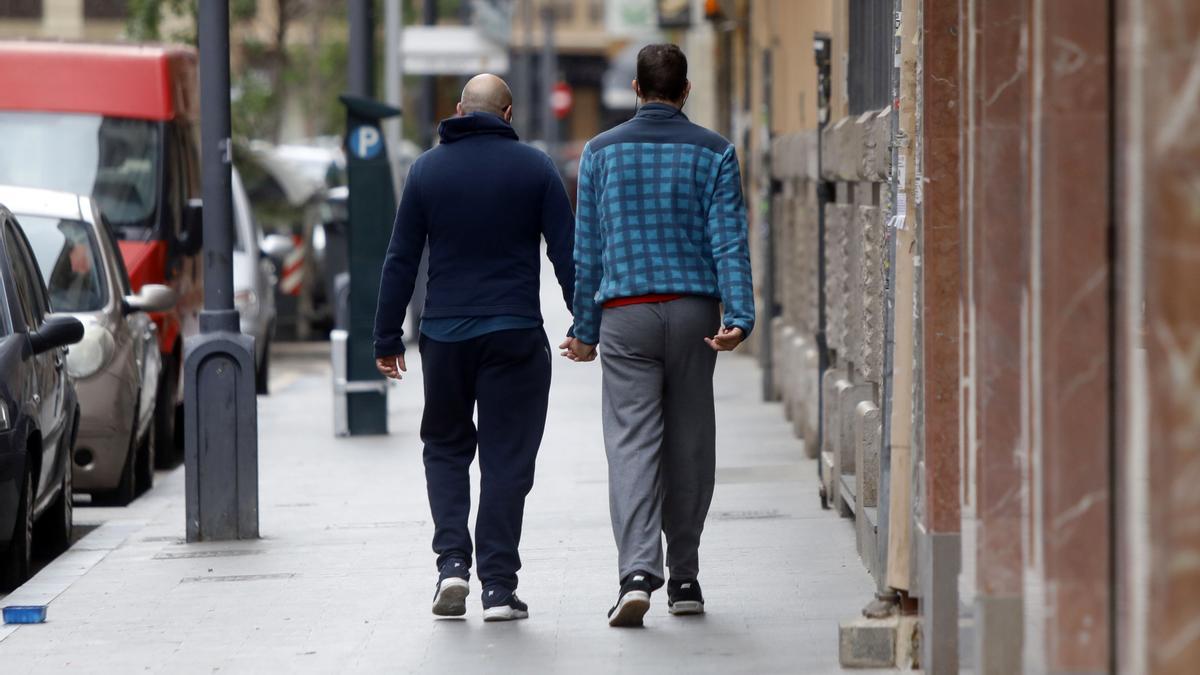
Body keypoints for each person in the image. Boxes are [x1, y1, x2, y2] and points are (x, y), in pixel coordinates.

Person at [560, 44, 755, 628]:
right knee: (691, 439)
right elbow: (728, 241)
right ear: (685, 90)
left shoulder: (599, 153)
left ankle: (638, 572)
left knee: (631, 442)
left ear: (637, 90)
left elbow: (587, 251)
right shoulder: (716, 152)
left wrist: (584, 328)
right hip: (695, 314)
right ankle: (687, 578)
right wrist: (738, 315)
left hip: (626, 316)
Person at [374, 74, 576, 622]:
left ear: (460, 110)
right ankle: (498, 588)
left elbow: (400, 259)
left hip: (444, 334)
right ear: (508, 114)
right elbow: (566, 251)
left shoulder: (426, 171)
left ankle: (451, 566)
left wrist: (387, 336)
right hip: (514, 332)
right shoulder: (535, 167)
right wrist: (587, 322)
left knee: (444, 448)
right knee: (507, 458)